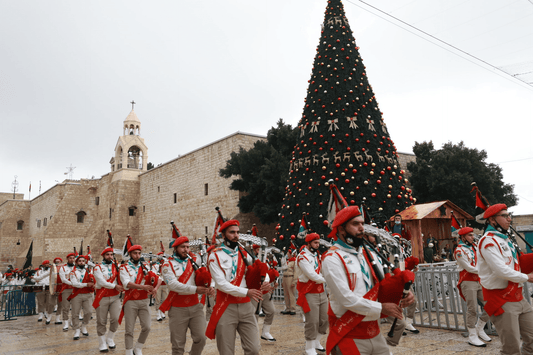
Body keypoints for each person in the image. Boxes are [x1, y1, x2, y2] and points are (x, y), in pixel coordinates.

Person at [321, 206, 415, 355]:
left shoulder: (370, 254)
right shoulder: (332, 258)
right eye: (355, 224)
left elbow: (383, 285)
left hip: (374, 331)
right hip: (348, 332)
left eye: (362, 223)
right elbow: (346, 299)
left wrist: (402, 293)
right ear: (341, 229)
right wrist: (381, 308)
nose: (361, 228)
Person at [206, 219, 269, 355]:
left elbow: (260, 268)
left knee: (253, 349)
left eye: (237, 232)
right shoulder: (214, 255)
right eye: (232, 232)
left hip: (246, 306)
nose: (236, 235)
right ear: (223, 235)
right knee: (226, 351)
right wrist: (246, 291)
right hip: (226, 306)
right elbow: (221, 284)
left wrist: (266, 281)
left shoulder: (244, 253)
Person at [477, 204, 533, 354]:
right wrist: (527, 277)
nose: (509, 219)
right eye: (505, 215)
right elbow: (500, 270)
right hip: (502, 299)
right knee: (511, 347)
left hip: (519, 297)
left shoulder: (505, 239)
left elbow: (516, 263)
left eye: (510, 215)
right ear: (492, 220)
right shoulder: (488, 241)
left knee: (532, 339)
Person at [160, 235, 214, 355]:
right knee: (178, 345)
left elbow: (206, 275)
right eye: (183, 247)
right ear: (175, 249)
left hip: (196, 307)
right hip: (178, 308)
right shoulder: (167, 265)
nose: (186, 250)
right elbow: (173, 285)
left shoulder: (195, 260)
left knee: (201, 338)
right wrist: (196, 289)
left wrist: (210, 286)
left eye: (188, 247)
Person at [454, 227, 490, 347]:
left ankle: (479, 328)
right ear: (463, 237)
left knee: (490, 305)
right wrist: (486, 271)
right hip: (468, 281)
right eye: (470, 235)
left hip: (479, 281)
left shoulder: (474, 247)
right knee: (472, 309)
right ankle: (472, 336)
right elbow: (469, 268)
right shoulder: (459, 251)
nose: (473, 237)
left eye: (472, 235)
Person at [119, 245, 159, 355]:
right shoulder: (124, 267)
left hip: (144, 300)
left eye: (139, 253)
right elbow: (126, 283)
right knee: (129, 329)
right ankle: (128, 351)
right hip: (130, 301)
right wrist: (143, 287)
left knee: (147, 327)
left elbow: (158, 277)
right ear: (130, 254)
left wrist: (155, 288)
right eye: (135, 253)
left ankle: (138, 347)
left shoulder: (145, 266)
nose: (137, 255)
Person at [297, 233, 328, 355]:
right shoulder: (302, 257)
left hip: (321, 291)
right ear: (308, 243)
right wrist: (329, 279)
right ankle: (309, 347)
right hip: (309, 293)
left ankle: (317, 342)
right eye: (315, 243)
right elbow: (312, 275)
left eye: (318, 242)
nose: (318, 245)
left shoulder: (317, 256)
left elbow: (322, 270)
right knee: (312, 321)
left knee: (325, 320)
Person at [93, 247, 124, 352]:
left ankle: (110, 338)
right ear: (103, 256)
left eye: (111, 254)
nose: (110, 257)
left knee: (116, 319)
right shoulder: (97, 267)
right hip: (102, 297)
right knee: (101, 321)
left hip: (115, 297)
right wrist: (115, 286)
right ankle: (102, 343)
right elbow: (101, 282)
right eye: (107, 255)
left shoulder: (116, 266)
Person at [68, 254, 95, 340]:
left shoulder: (89, 271)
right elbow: (75, 284)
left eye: (83, 261)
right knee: (75, 313)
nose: (81, 262)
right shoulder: (72, 272)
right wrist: (87, 284)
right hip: (77, 295)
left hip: (88, 295)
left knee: (89, 312)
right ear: (76, 262)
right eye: (80, 261)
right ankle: (76, 330)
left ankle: (84, 325)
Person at [59, 252, 77, 331]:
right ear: (67, 259)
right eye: (70, 258)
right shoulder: (63, 268)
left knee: (75, 307)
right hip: (66, 289)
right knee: (66, 307)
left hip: (76, 289)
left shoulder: (77, 268)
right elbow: (63, 279)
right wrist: (73, 283)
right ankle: (65, 323)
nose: (72, 260)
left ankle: (73, 321)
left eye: (73, 258)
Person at [153, 252, 169, 322]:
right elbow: (154, 274)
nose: (162, 257)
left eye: (163, 256)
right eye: (160, 256)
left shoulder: (166, 265)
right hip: (158, 285)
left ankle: (162, 312)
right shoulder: (156, 265)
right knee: (158, 299)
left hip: (165, 284)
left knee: (164, 299)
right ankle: (158, 313)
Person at [280, 250, 297, 315]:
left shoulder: (294, 262)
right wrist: (282, 280)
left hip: (290, 277)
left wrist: (294, 281)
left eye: (287, 253)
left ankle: (293, 309)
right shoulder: (286, 262)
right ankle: (287, 308)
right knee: (286, 294)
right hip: (285, 277)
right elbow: (283, 271)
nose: (287, 254)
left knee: (291, 294)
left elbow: (295, 272)